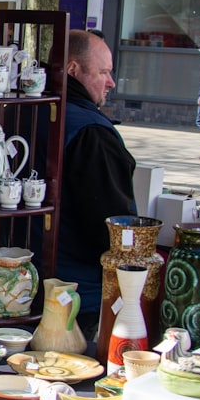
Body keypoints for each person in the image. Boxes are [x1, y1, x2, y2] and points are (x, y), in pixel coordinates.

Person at [57, 29, 137, 335]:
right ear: (74, 70)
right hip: (79, 295)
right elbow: (113, 227)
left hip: (22, 281)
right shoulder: (92, 133)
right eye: (103, 72)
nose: (111, 82)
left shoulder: (23, 109)